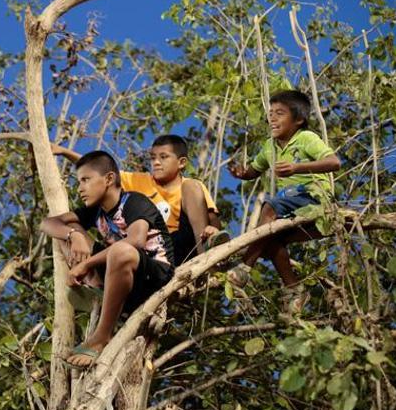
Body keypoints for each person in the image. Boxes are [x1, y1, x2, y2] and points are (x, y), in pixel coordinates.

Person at [40, 150, 175, 368]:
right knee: (69, 229)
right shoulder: (95, 212)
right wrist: (74, 236)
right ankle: (98, 290)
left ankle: (102, 336)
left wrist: (86, 263)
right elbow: (47, 223)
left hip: (152, 275)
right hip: (119, 270)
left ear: (109, 179)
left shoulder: (134, 201)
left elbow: (136, 241)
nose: (80, 188)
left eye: (86, 180)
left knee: (121, 251)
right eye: (78, 182)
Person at [227, 90, 341, 315]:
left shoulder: (306, 138)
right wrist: (242, 173)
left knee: (270, 207)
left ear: (298, 120)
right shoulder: (269, 146)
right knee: (270, 240)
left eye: (280, 113)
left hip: (313, 197)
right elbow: (254, 170)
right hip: (293, 206)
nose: (272, 118)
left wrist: (297, 168)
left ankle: (244, 267)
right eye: (270, 113)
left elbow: (334, 162)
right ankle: (294, 288)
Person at [52, 135, 222, 266]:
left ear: (181, 162)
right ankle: (94, 281)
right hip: (148, 249)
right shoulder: (140, 181)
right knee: (70, 228)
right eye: (153, 157)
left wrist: (213, 231)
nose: (156, 162)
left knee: (192, 187)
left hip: (181, 245)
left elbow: (211, 218)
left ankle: (207, 260)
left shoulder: (191, 186)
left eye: (163, 157)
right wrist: (64, 152)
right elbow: (99, 172)